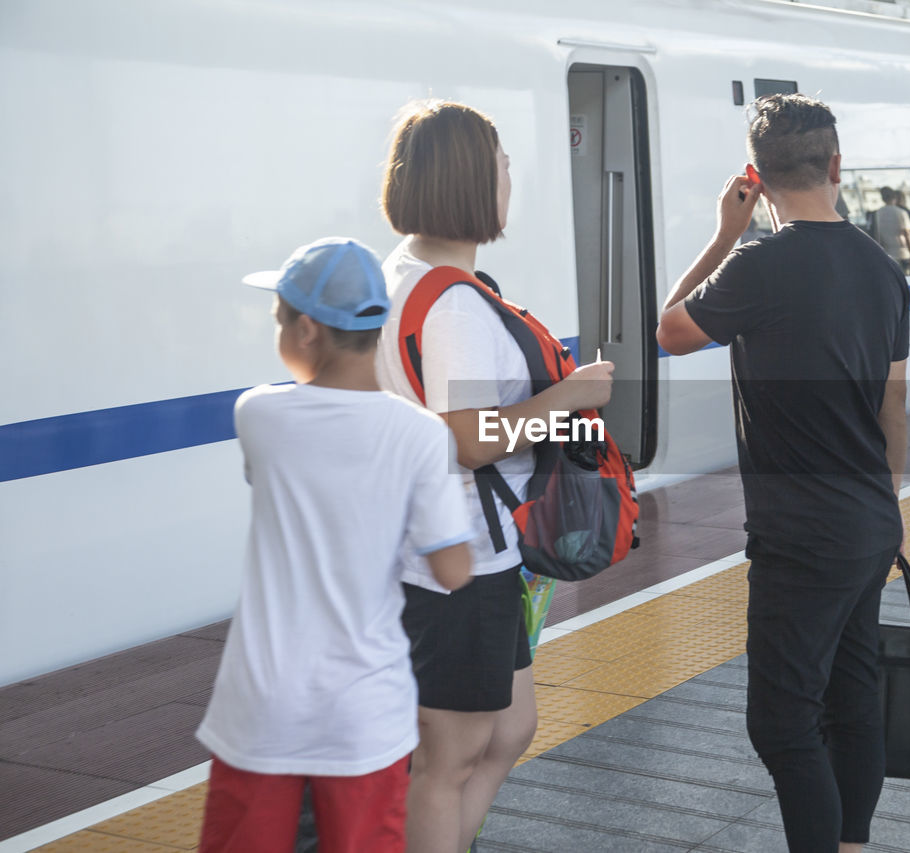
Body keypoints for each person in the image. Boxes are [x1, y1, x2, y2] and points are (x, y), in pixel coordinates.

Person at [655, 94, 908, 853]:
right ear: (836, 166)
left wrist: (726, 233)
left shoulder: (756, 264)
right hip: (870, 519)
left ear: (758, 179)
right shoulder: (882, 267)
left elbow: (669, 331)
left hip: (801, 534)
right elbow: (894, 411)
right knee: (852, 695)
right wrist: (885, 507)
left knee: (781, 719)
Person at [374, 99, 615, 853]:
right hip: (458, 554)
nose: (512, 177)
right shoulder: (454, 308)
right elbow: (471, 439)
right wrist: (567, 399)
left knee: (510, 726)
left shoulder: (405, 275)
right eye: (504, 164)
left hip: (449, 547)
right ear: (474, 182)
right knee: (446, 761)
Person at [196, 237, 474, 853]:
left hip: (261, 705)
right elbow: (453, 570)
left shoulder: (259, 416)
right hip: (364, 709)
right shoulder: (420, 437)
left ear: (305, 331)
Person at [871, 186, 910, 273]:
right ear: (894, 198)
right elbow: (908, 235)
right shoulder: (901, 212)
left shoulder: (878, 213)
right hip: (903, 253)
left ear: (883, 199)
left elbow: (877, 236)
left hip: (887, 255)